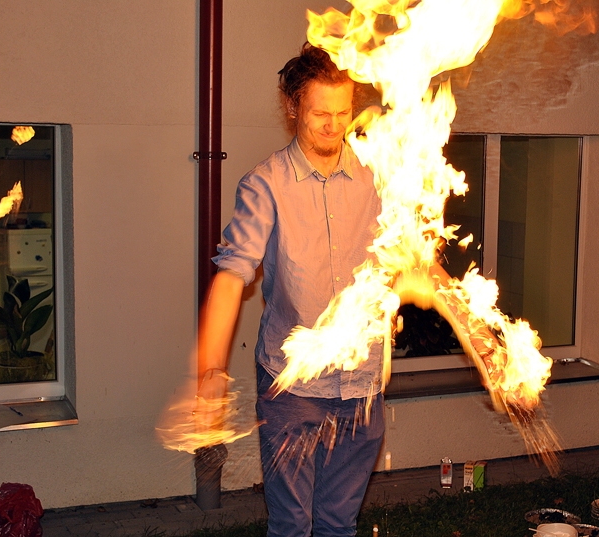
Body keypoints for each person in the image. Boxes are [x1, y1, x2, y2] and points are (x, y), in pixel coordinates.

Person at [197, 42, 384, 537]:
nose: (333, 125)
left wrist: (478, 332)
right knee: (291, 524)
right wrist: (211, 369)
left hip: (363, 386)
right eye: (319, 112)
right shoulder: (265, 184)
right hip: (292, 389)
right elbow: (231, 276)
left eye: (342, 112)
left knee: (339, 524)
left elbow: (415, 261)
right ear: (291, 106)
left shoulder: (380, 175)